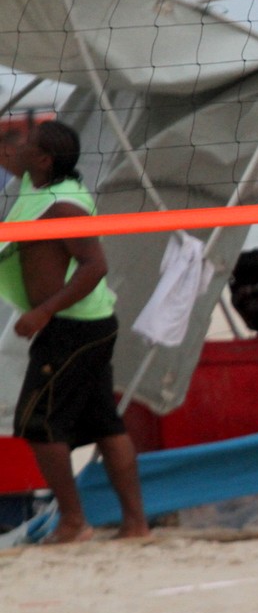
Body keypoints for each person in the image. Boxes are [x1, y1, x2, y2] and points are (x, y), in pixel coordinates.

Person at [0, 120, 148, 544]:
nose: (19, 146)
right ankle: (135, 526)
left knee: (37, 422)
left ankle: (72, 522)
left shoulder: (66, 205)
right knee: (105, 423)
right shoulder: (35, 182)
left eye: (28, 143)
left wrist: (43, 312)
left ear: (44, 159)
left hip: (73, 327)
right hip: (84, 325)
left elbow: (95, 265)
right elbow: (6, 153)